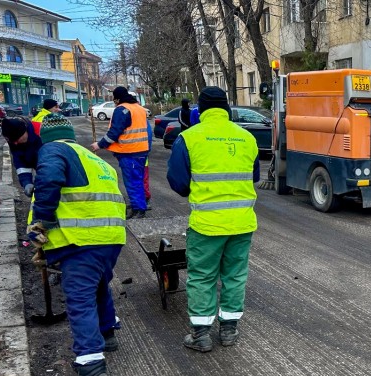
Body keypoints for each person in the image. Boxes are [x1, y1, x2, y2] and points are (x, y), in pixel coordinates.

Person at [26, 114, 126, 376]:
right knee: (98, 287)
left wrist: (41, 222)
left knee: (79, 300)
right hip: (110, 239)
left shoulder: (53, 149)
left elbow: (49, 181)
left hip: (82, 240)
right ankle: (107, 334)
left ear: (45, 138)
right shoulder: (96, 160)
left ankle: (91, 371)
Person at [167, 87, 259, 352]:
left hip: (206, 225)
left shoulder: (189, 138)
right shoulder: (247, 138)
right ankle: (229, 331)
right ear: (227, 108)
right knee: (235, 275)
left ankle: (201, 336)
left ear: (201, 109)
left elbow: (179, 184)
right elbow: (251, 177)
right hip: (242, 223)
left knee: (202, 277)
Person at [90, 86, 152, 219]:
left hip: (129, 152)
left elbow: (114, 133)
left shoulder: (122, 110)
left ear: (117, 99)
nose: (114, 101)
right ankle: (139, 205)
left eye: (114, 99)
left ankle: (139, 209)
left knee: (132, 182)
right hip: (141, 150)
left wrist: (99, 145)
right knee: (138, 180)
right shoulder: (139, 108)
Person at [1, 117, 43, 197]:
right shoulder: (15, 142)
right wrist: (27, 183)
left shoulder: (42, 133)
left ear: (24, 131)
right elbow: (21, 164)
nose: (15, 143)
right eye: (12, 142)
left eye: (17, 139)